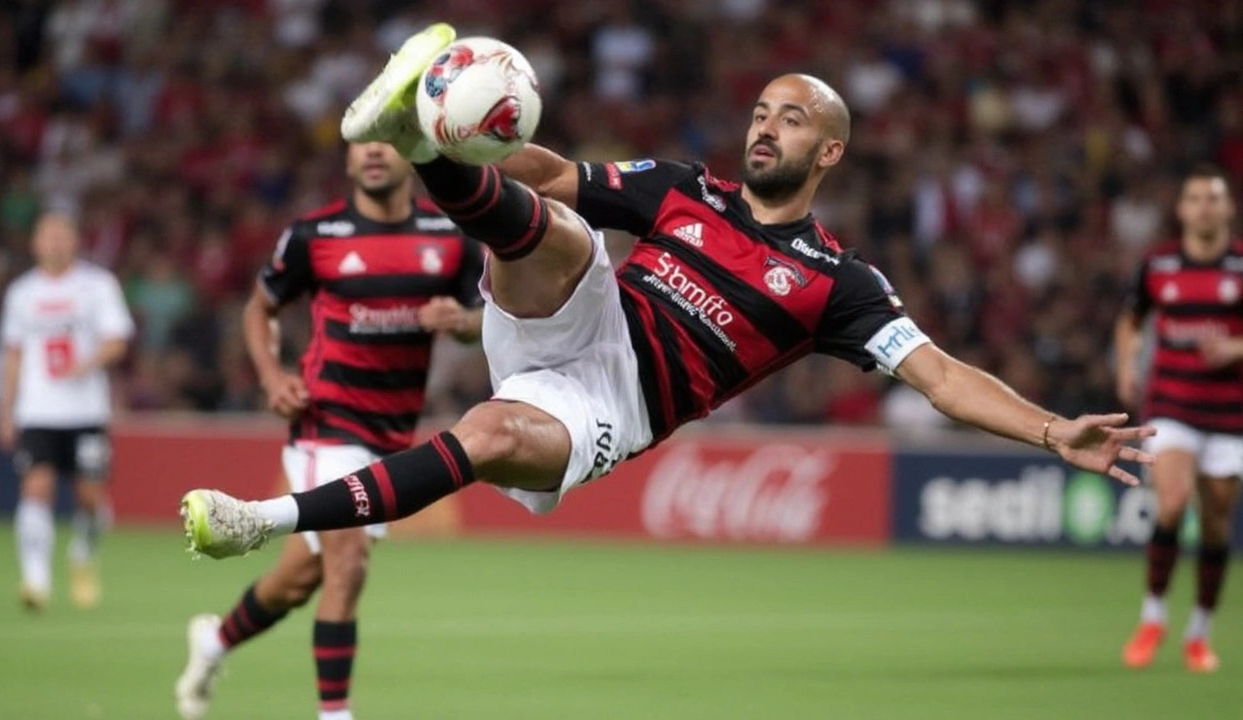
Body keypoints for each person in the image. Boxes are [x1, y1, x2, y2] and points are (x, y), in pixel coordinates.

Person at [180, 24, 1154, 573]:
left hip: (617, 403)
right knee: (562, 226)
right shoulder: (686, 189)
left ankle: (258, 520)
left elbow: (937, 375)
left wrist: (1045, 431)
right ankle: (423, 134)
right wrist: (465, 127)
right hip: (582, 313)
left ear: (829, 152)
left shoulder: (835, 283)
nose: (765, 125)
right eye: (761, 108)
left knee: (488, 437)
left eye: (791, 117)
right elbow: (555, 171)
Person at [174, 141, 484, 720]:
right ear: (346, 159)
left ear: (411, 156)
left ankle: (214, 642)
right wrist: (271, 377)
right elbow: (257, 309)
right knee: (349, 563)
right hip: (327, 422)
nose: (373, 152)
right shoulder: (314, 235)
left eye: (388, 142)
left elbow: (480, 317)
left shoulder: (448, 237)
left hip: (392, 433)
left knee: (297, 580)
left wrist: (464, 321)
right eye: (362, 142)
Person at [1115, 167, 1242, 673]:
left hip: (1230, 411)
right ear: (1183, 210)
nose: (1205, 206)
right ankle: (1152, 618)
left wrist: (1235, 346)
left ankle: (1199, 632)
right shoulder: (1158, 264)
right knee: (1172, 502)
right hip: (1171, 402)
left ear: (1228, 209)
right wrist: (1128, 359)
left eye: (1214, 198)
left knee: (1215, 522)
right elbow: (1131, 318)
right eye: (1195, 198)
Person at [0, 212, 134, 610]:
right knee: (36, 487)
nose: (55, 242)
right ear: (35, 242)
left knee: (90, 497)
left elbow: (117, 340)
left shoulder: (97, 286)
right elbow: (13, 354)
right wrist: (6, 411)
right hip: (38, 410)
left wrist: (86, 363)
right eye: (47, 235)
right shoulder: (21, 293)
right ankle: (35, 579)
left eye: (63, 234)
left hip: (86, 411)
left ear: (75, 240)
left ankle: (82, 556)